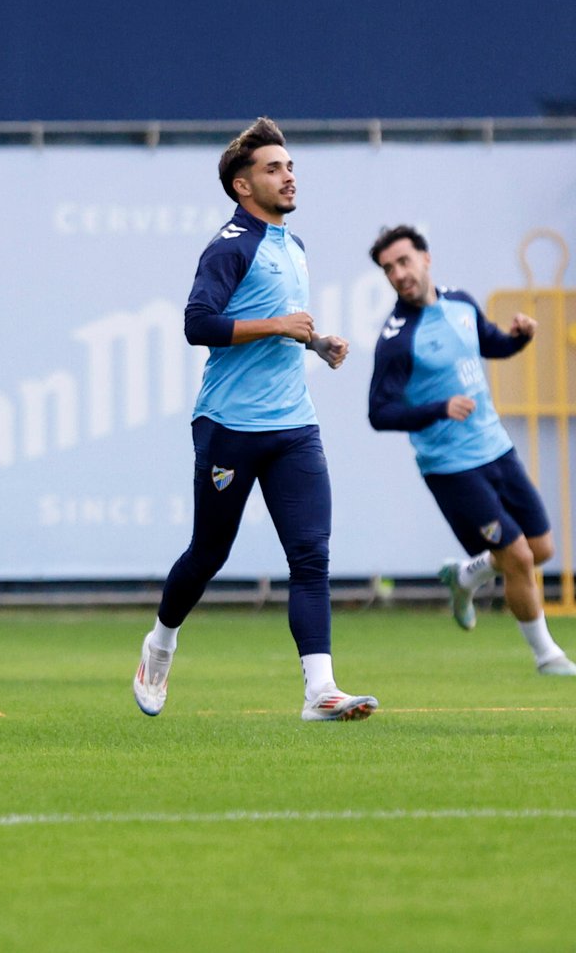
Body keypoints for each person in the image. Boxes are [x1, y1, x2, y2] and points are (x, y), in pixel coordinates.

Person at [132, 117, 379, 722]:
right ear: (244, 186)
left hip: (294, 426)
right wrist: (280, 327)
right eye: (274, 168)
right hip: (230, 426)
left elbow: (281, 324)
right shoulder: (229, 246)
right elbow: (198, 324)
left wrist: (316, 344)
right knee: (209, 553)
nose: (288, 176)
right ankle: (159, 644)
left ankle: (319, 691)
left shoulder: (292, 246)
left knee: (311, 555)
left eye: (290, 166)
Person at [367, 225, 575, 675]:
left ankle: (465, 577)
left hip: (496, 448)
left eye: (404, 261)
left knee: (540, 550)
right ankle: (547, 656)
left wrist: (518, 337)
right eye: (388, 269)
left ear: (426, 258)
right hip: (451, 467)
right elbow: (379, 413)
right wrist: (440, 407)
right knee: (518, 557)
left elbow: (490, 343)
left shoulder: (459, 300)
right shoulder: (397, 339)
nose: (398, 274)